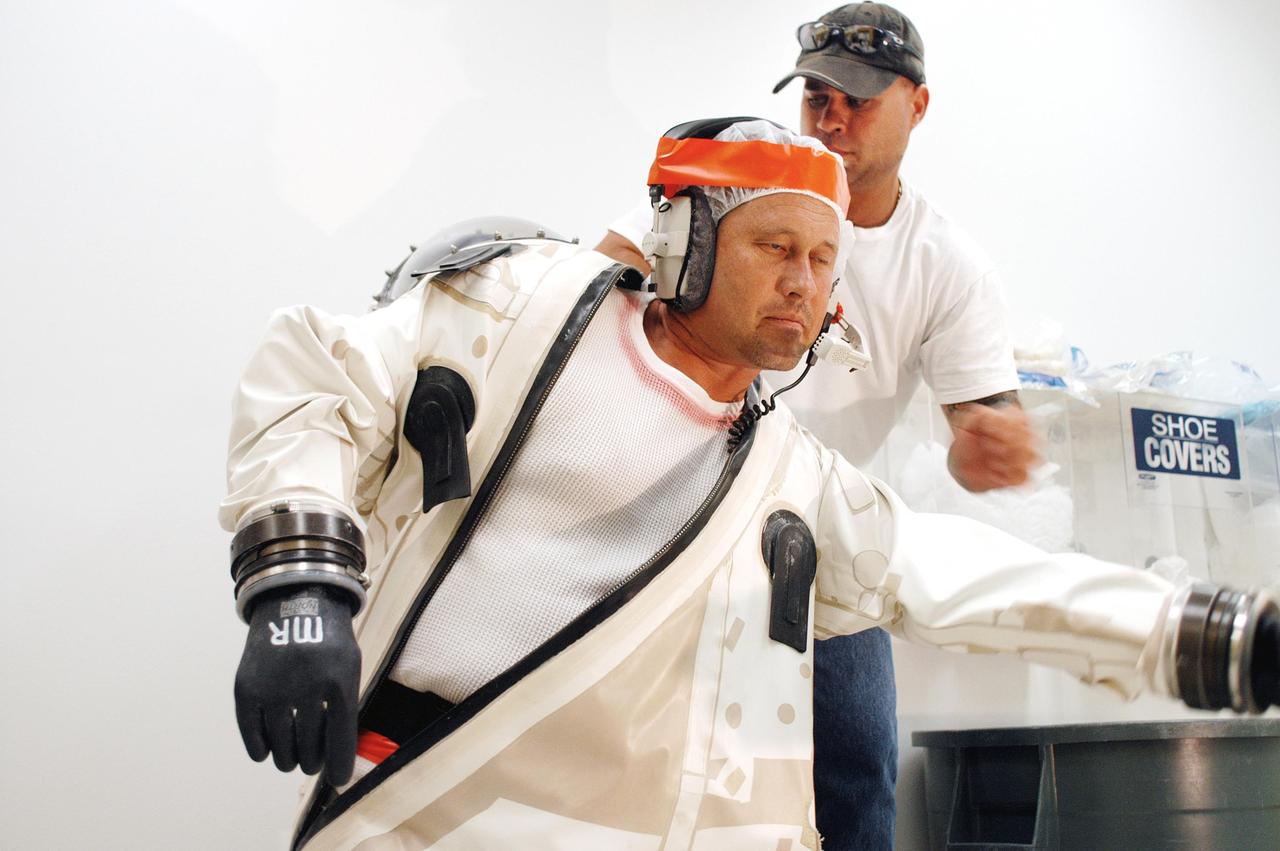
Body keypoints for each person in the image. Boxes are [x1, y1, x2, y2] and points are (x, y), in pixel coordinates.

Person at [222, 118, 1278, 850]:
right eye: (777, 245)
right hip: (447, 805)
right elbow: (319, 382)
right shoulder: (516, 314)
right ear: (680, 238)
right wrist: (297, 587)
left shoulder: (785, 478)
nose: (804, 282)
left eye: (823, 261)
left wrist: (1213, 632)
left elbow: (961, 575)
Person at [593, 5, 1037, 846]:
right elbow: (594, 282)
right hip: (676, 525)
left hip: (825, 546)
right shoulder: (730, 182)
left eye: (858, 100)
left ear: (919, 105)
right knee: (644, 766)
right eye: (816, 96)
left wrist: (992, 450)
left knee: (855, 775)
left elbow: (984, 437)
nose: (831, 117)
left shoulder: (947, 267)